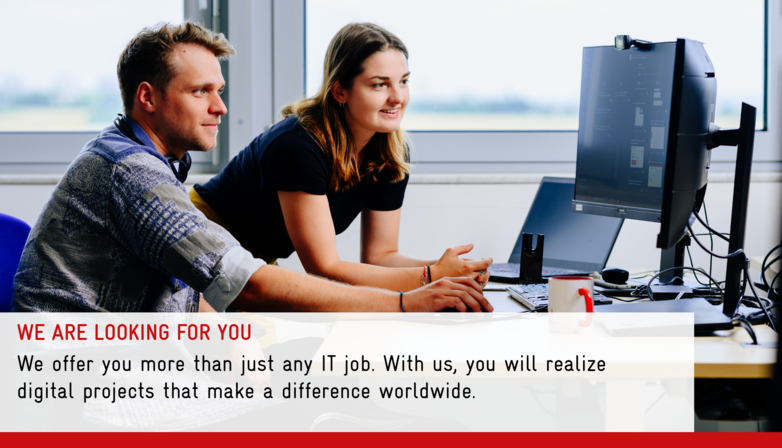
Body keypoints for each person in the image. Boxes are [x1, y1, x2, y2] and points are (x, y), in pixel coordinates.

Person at [12, 22, 492, 314]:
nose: (221, 107)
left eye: (219, 90)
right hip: (78, 372)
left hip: (132, 333)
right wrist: (411, 297)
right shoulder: (133, 172)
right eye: (201, 91)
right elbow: (250, 282)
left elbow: (197, 283)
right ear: (148, 98)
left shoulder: (148, 160)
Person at [191, 22, 492, 294]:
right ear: (339, 91)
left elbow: (381, 256)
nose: (398, 97)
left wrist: (449, 270)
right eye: (379, 84)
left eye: (403, 81)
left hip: (252, 257)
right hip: (202, 238)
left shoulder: (391, 153)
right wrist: (431, 276)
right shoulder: (297, 145)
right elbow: (323, 268)